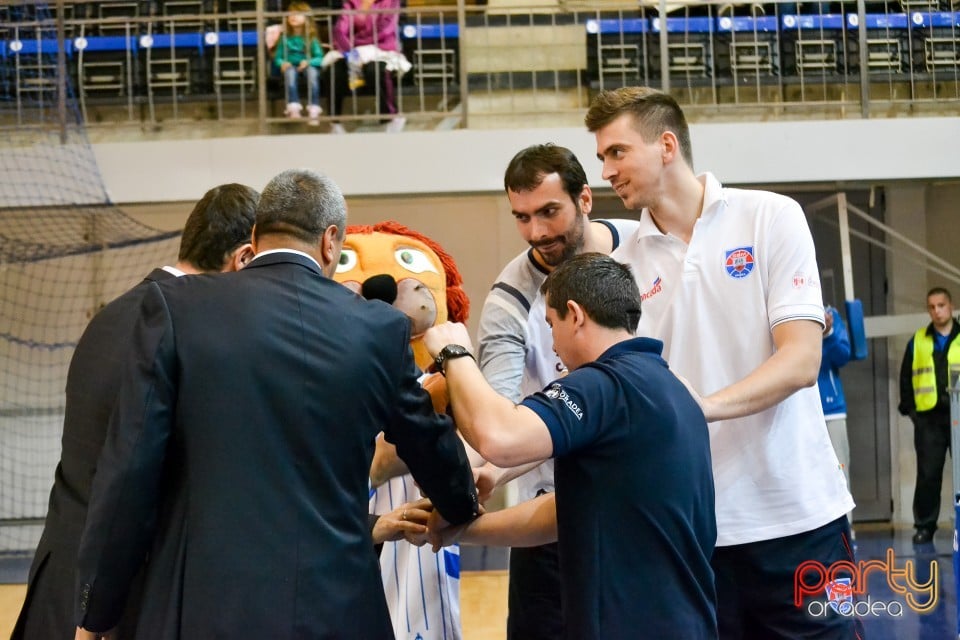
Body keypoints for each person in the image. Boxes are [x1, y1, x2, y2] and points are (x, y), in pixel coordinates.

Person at [73, 169, 479, 639]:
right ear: (331, 242)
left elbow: (129, 468)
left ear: (254, 235)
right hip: (337, 607)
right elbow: (428, 439)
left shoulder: (175, 309)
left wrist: (97, 610)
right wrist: (460, 504)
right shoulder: (377, 329)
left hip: (204, 606)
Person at [589, 86, 855, 638]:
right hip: (692, 535)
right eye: (602, 158)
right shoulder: (619, 268)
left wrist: (700, 409)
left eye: (617, 152)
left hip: (800, 520)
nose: (607, 170)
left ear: (666, 145)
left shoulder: (771, 217)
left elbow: (802, 359)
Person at [424, 252, 718, 639]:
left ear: (576, 315)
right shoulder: (669, 387)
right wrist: (461, 530)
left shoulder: (602, 385)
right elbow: (568, 511)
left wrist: (455, 354)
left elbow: (498, 437)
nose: (553, 343)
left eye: (551, 324)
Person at [11, 184, 259, 640]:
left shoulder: (111, 314)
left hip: (59, 582)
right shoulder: (187, 332)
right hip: (114, 603)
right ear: (242, 259)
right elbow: (136, 481)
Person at [474, 143, 639, 640]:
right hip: (551, 508)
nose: (537, 232)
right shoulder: (510, 295)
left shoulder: (647, 249)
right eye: (522, 217)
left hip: (644, 502)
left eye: (549, 212)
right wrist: (478, 471)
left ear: (585, 198)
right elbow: (499, 409)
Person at [898, 286, 960, 545]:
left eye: (941, 305)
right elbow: (905, 378)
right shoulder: (918, 340)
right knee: (928, 475)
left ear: (951, 306)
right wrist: (913, 413)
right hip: (929, 420)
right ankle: (925, 526)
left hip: (959, 417)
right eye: (932, 307)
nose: (937, 311)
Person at [327, 0, 409, 133]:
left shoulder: (391, 2)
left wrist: (360, 42)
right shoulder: (350, 3)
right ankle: (334, 122)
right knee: (334, 72)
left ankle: (391, 117)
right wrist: (353, 53)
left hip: (381, 48)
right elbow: (340, 31)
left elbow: (386, 29)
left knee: (375, 71)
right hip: (354, 50)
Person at [820, 304, 853, 523]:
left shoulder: (829, 313)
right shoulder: (781, 311)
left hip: (831, 410)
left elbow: (843, 355)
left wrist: (828, 334)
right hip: (793, 410)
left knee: (839, 471)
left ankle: (845, 530)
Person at [274, 0, 324, 123]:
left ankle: (314, 109)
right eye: (290, 14)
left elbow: (320, 57)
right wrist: (282, 63)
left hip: (307, 65)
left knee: (312, 74)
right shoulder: (284, 38)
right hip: (291, 65)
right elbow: (278, 57)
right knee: (290, 74)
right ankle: (293, 107)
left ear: (307, 18)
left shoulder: (311, 38)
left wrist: (308, 62)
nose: (293, 17)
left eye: (297, 14)